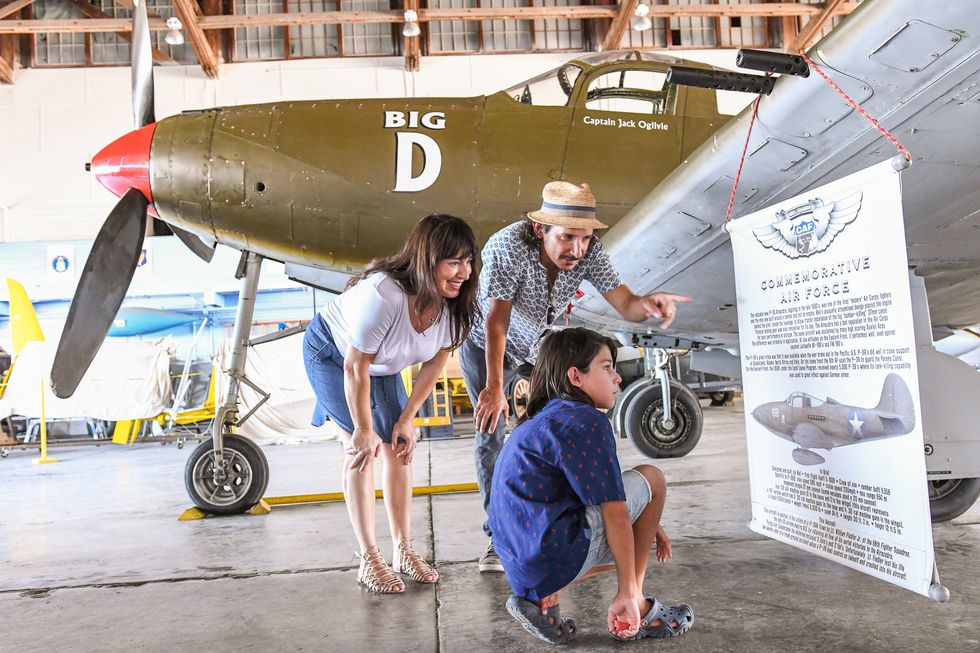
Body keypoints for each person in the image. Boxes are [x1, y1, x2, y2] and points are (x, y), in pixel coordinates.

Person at [460, 180, 691, 572]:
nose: (577, 250)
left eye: (585, 239)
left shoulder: (589, 253)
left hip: (538, 348)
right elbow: (496, 322)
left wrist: (648, 304)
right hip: (487, 345)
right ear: (540, 229)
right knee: (492, 436)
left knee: (567, 427)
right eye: (568, 238)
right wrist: (494, 388)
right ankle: (500, 540)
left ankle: (583, 523)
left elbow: (626, 304)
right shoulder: (506, 247)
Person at [303, 213, 478, 593]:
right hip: (334, 355)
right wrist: (364, 429)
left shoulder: (454, 307)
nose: (464, 272)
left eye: (468, 261)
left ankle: (402, 549)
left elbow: (433, 366)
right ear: (427, 258)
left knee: (399, 448)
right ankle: (369, 558)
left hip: (379, 365)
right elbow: (354, 365)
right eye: (453, 261)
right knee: (360, 450)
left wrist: (407, 419)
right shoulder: (385, 295)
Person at [489, 328, 694, 643]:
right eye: (606, 367)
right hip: (550, 553)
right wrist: (625, 589)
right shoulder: (587, 422)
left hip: (521, 565)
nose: (617, 378)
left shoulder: (538, 420)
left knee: (631, 537)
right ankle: (636, 605)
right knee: (653, 477)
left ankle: (543, 603)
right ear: (576, 376)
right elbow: (616, 514)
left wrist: (646, 522)